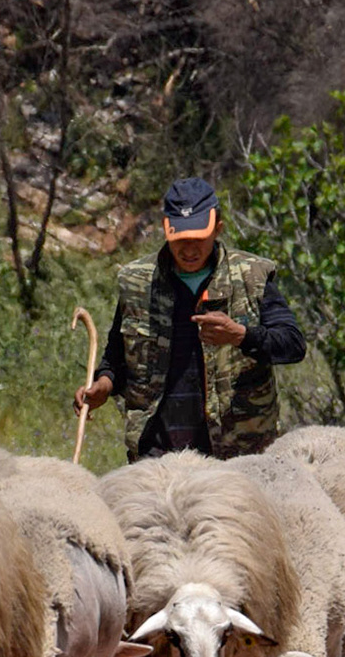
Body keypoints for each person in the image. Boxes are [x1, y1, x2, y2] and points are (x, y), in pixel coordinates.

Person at [74, 177, 305, 461]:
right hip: (156, 456)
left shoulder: (251, 276)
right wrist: (104, 386)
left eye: (199, 239)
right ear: (166, 231)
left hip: (237, 458)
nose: (189, 250)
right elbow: (117, 358)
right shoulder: (136, 282)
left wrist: (241, 336)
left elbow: (293, 344)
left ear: (218, 229)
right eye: (180, 240)